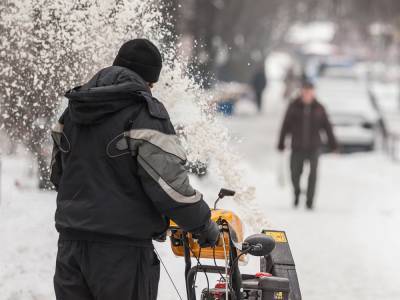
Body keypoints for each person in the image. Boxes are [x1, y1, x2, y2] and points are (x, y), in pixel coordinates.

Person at [49, 39, 219, 300]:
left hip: (70, 249)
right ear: (150, 80)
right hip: (121, 256)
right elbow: (170, 188)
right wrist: (202, 223)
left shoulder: (73, 111)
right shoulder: (144, 114)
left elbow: (58, 175)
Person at [277, 82, 337, 209]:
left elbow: (327, 127)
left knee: (313, 174)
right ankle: (297, 192)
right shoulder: (293, 107)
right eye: (305, 92)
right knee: (294, 174)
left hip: (314, 147)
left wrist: (333, 144)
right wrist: (281, 142)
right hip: (297, 147)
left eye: (310, 92)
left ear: (313, 93)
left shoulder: (319, 108)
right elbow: (285, 125)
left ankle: (310, 201)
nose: (307, 95)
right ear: (301, 92)